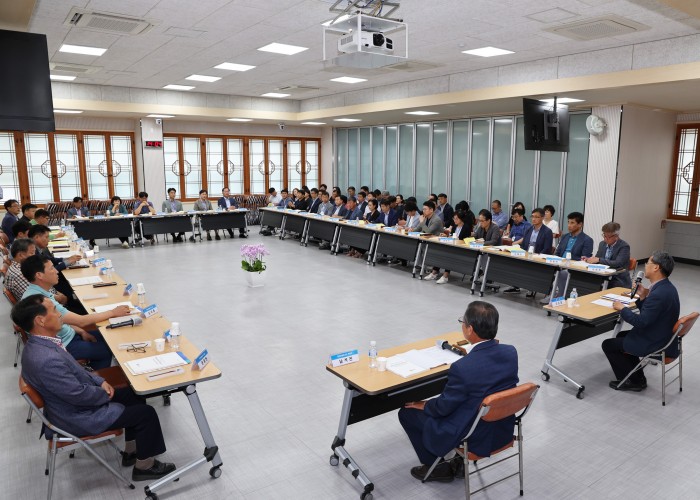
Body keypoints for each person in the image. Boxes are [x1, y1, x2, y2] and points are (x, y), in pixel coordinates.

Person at [13, 295, 176, 481]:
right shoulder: (46, 359)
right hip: (75, 416)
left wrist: (99, 381)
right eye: (54, 310)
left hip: (71, 403)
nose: (60, 314)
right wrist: (103, 394)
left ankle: (132, 452)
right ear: (40, 320)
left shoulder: (43, 343)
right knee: (146, 414)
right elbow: (78, 395)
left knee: (134, 395)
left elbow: (75, 369)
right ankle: (145, 467)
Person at [399, 301, 518, 482]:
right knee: (469, 400)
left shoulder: (462, 368)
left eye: (463, 321)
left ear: (469, 329)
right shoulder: (510, 352)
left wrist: (424, 404)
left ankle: (437, 468)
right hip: (501, 427)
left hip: (473, 433)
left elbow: (443, 408)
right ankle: (459, 462)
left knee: (407, 413)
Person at [21, 254, 130, 369]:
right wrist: (113, 312)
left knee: (109, 334)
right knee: (107, 349)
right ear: (39, 275)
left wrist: (81, 331)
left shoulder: (38, 292)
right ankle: (94, 377)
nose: (56, 271)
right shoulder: (41, 301)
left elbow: (64, 320)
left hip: (68, 335)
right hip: (63, 345)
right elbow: (81, 321)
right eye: (52, 268)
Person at [602, 251, 680, 392]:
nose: (645, 265)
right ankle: (637, 378)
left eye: (648, 263)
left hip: (656, 342)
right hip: (663, 335)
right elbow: (650, 315)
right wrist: (643, 297)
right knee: (621, 336)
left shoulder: (658, 293)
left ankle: (632, 382)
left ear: (656, 267)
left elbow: (641, 322)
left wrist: (623, 308)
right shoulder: (666, 287)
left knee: (608, 344)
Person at [541, 212, 594, 304]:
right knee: (545, 268)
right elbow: (558, 252)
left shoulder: (587, 240)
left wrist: (567, 263)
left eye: (572, 223)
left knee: (562, 274)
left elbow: (584, 259)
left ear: (580, 224)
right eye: (568, 222)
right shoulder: (565, 236)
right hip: (559, 264)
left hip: (572, 267)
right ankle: (551, 293)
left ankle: (559, 296)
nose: (569, 225)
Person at [5, 238, 69, 307]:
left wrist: (58, 294)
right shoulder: (19, 274)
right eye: (32, 253)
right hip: (45, 308)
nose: (35, 256)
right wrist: (60, 298)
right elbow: (38, 298)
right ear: (21, 255)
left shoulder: (24, 267)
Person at [504, 208, 553, 295]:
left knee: (531, 266)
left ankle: (531, 287)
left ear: (542, 218)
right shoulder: (529, 229)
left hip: (538, 257)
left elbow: (547, 249)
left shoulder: (547, 231)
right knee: (513, 261)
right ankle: (515, 285)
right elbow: (524, 245)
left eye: (537, 217)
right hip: (527, 255)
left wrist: (536, 256)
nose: (533, 219)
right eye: (532, 216)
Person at [424, 211, 472, 284]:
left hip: (460, 248)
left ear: (461, 219)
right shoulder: (455, 226)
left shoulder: (466, 227)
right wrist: (446, 236)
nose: (454, 220)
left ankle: (445, 276)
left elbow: (466, 240)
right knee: (440, 252)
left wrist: (457, 240)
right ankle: (434, 272)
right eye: (454, 218)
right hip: (453, 246)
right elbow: (452, 236)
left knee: (448, 254)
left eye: (456, 219)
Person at [583, 222, 632, 289]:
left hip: (617, 279)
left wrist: (599, 260)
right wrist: (589, 259)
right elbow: (597, 258)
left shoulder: (624, 246)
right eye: (604, 235)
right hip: (602, 276)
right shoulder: (602, 244)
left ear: (616, 236)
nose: (605, 239)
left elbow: (618, 263)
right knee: (586, 280)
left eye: (608, 236)